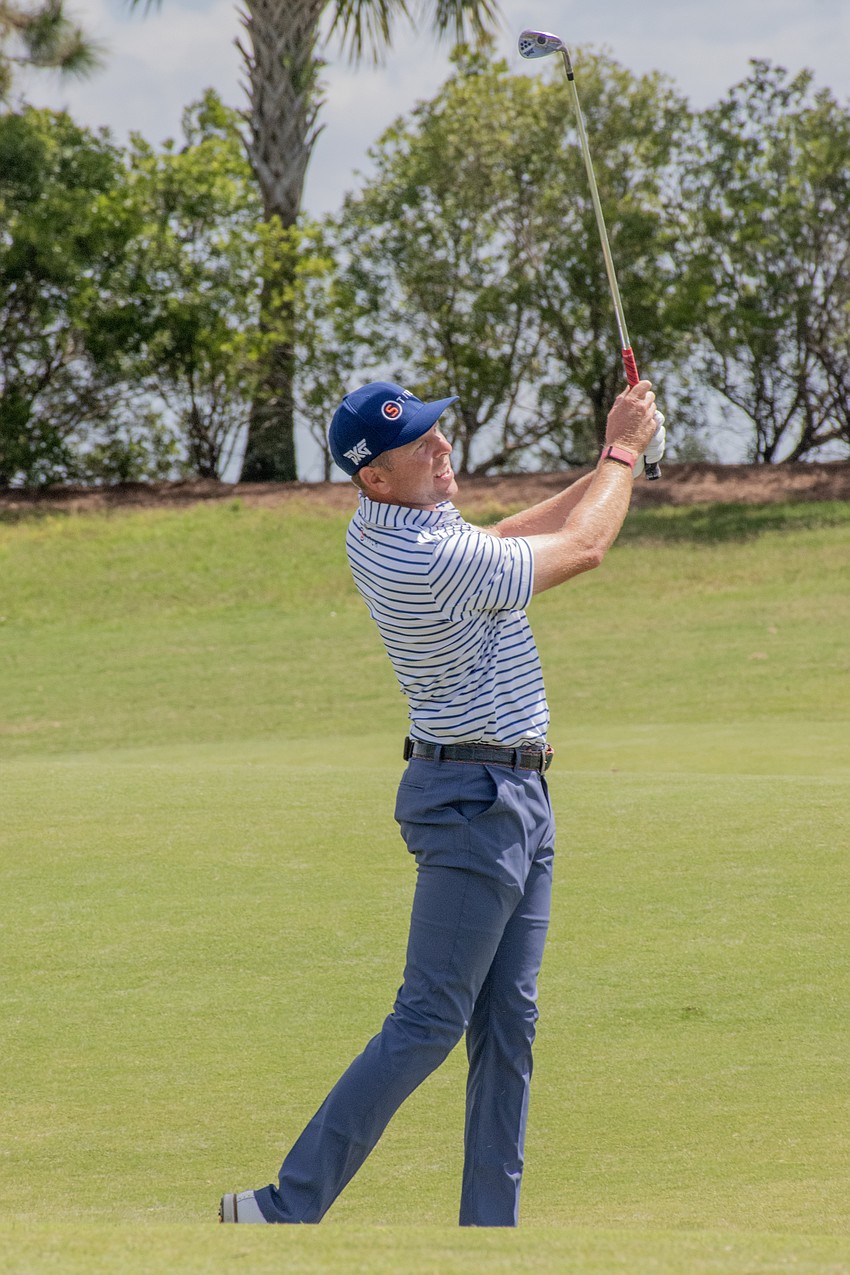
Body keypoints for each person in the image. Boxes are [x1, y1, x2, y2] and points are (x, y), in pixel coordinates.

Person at [220, 378, 663, 1227]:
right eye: (419, 446)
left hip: (514, 791)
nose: (442, 448)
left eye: (436, 431)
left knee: (510, 1022)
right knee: (427, 1019)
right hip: (475, 801)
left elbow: (505, 537)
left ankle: (488, 1232)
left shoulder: (402, 523)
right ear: (375, 477)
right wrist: (622, 452)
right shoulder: (425, 558)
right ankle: (286, 1206)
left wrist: (617, 463)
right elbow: (582, 549)